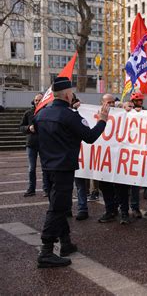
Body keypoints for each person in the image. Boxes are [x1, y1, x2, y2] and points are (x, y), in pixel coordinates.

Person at [34, 77, 109, 268]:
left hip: (48, 167)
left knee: (58, 205)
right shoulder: (69, 115)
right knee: (59, 208)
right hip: (63, 168)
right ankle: (46, 250)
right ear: (68, 95)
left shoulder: (41, 114)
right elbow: (90, 137)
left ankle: (65, 242)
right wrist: (102, 120)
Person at [97, 94, 132, 225]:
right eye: (108, 102)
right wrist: (77, 107)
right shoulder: (96, 112)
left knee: (121, 186)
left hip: (119, 158)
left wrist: (128, 109)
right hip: (104, 158)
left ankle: (124, 212)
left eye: (113, 102)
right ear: (102, 103)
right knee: (105, 186)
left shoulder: (123, 113)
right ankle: (110, 211)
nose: (111, 105)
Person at [19, 93, 50, 197]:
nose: (38, 102)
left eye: (40, 100)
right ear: (34, 101)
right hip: (31, 144)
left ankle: (46, 189)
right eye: (36, 100)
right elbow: (21, 127)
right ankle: (31, 189)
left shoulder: (47, 112)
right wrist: (28, 128)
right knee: (31, 168)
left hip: (44, 143)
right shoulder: (28, 113)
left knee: (45, 168)